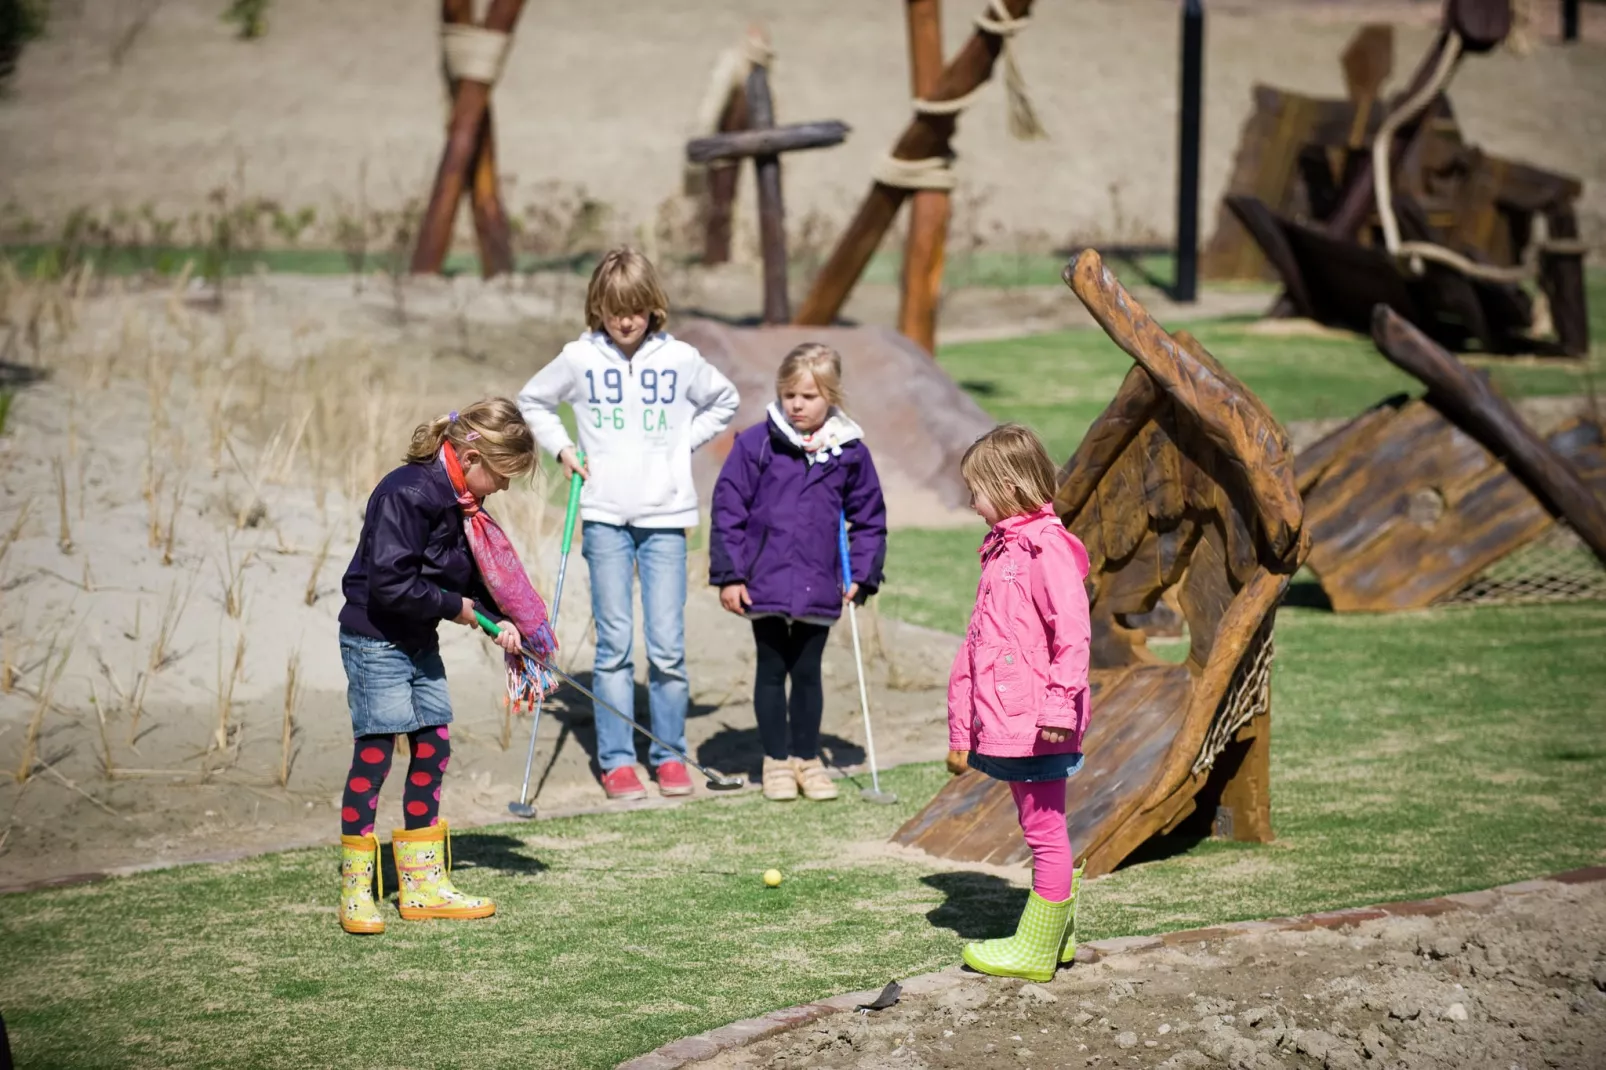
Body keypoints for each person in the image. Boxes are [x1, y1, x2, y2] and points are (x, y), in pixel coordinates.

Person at [518, 248, 739, 800]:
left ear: (652, 307)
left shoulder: (681, 358)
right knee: (613, 646)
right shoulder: (579, 357)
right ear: (599, 306)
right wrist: (564, 449)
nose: (626, 320)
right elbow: (533, 401)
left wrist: (679, 445)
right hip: (605, 516)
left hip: (667, 518)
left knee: (667, 647)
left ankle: (668, 755)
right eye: (615, 309)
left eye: (636, 309)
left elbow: (725, 399)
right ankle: (617, 759)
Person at [336, 397, 553, 934]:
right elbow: (390, 585)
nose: (503, 488)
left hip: (415, 640)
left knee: (433, 744)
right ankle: (357, 890)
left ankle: (423, 884)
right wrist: (462, 611)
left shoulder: (460, 502)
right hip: (375, 639)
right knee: (377, 752)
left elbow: (465, 574)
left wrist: (503, 620)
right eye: (501, 475)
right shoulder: (408, 493)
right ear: (473, 454)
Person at [710, 343, 888, 802]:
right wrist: (731, 575)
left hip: (818, 583)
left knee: (807, 671)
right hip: (763, 581)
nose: (797, 405)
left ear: (831, 395)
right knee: (771, 668)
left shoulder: (849, 452)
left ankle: (807, 759)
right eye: (789, 395)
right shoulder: (756, 443)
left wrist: (863, 574)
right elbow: (729, 510)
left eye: (809, 396)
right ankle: (776, 762)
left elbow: (868, 518)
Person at [946, 423, 1092, 981]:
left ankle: (1034, 951)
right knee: (1043, 825)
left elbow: (1073, 633)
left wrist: (1058, 708)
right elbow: (982, 640)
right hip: (1015, 716)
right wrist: (963, 726)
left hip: (1039, 720)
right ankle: (1059, 938)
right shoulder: (1004, 548)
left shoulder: (1045, 548)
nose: (972, 502)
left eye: (976, 490)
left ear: (1008, 487)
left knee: (1044, 829)